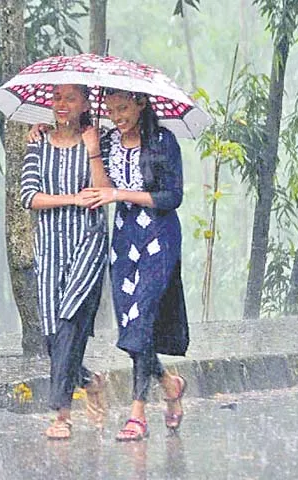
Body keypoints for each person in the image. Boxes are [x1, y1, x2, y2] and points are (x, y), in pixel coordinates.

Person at [83, 88, 189, 441]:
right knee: (130, 325)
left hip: (159, 236)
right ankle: (169, 383)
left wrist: (121, 194)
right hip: (124, 238)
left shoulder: (163, 141)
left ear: (142, 103)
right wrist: (95, 150)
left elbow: (172, 197)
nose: (117, 116)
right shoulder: (109, 140)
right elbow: (101, 191)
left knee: (143, 318)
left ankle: (137, 412)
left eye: (124, 108)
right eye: (111, 110)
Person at [20, 84, 109, 440]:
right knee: (51, 334)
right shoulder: (37, 141)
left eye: (70, 98)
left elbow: (103, 193)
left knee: (70, 319)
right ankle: (89, 380)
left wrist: (93, 152)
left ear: (85, 103)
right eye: (57, 97)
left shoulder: (98, 139)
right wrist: (72, 198)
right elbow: (29, 196)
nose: (62, 104)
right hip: (50, 244)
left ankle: (62, 414)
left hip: (88, 241)